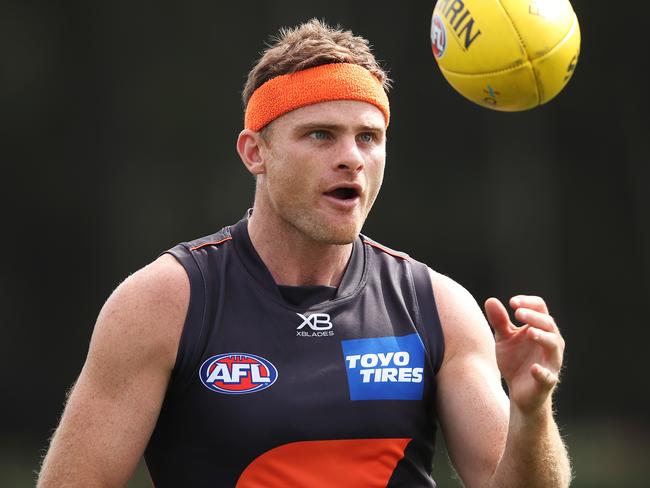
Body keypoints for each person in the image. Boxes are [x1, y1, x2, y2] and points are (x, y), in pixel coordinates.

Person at [38, 19, 571, 488]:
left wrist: (532, 411)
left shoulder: (438, 307)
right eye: (321, 135)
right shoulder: (163, 302)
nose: (351, 159)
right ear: (255, 152)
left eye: (369, 137)